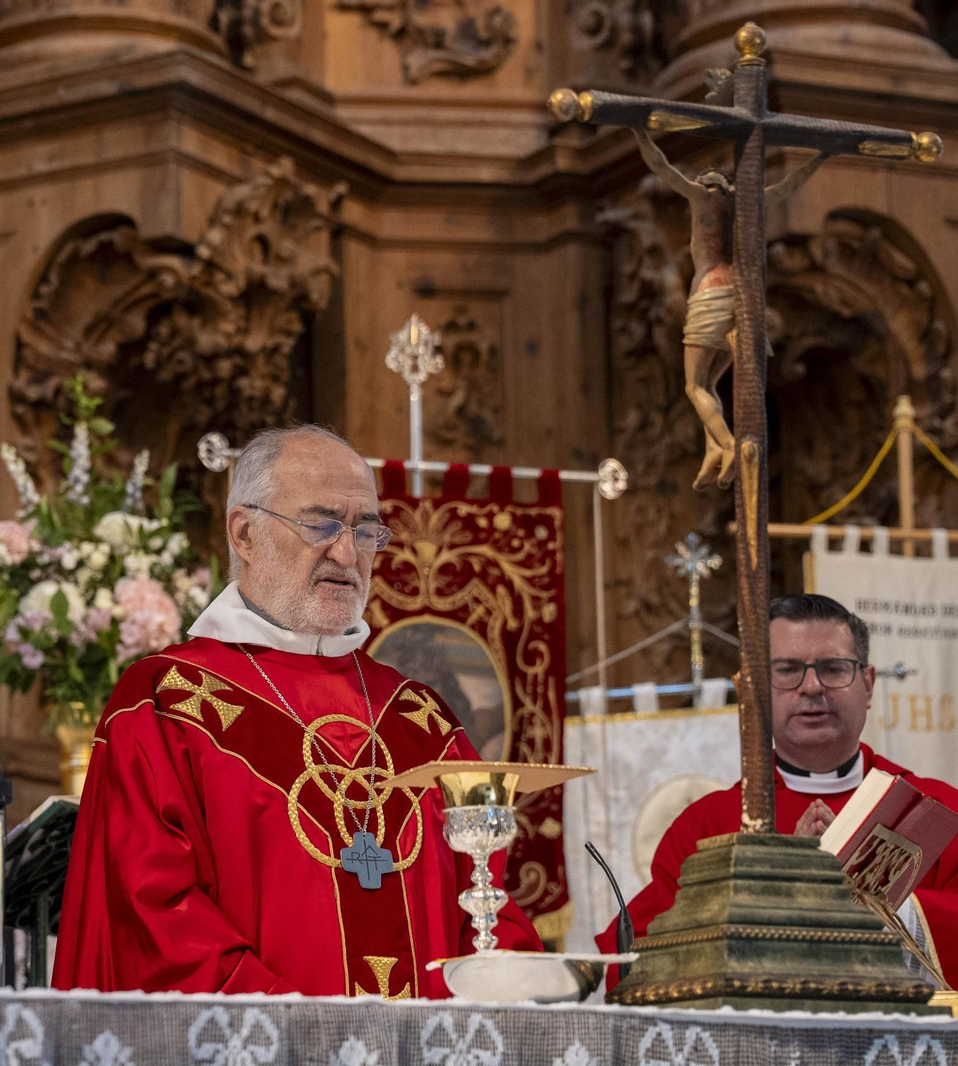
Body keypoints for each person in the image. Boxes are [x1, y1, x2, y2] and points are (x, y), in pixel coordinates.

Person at [53, 425, 541, 997]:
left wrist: (527, 991)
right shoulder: (166, 703)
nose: (345, 552)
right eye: (320, 524)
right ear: (244, 533)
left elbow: (485, 907)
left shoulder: (420, 718)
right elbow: (154, 919)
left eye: (365, 530)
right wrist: (306, 1039)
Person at [599, 593, 958, 981]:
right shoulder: (705, 826)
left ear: (867, 685)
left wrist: (864, 903)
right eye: (787, 670)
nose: (812, 687)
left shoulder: (935, 810)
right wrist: (779, 893)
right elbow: (633, 960)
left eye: (833, 668)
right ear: (756, 689)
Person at [629, 128, 831, 490]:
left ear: (708, 183)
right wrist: (821, 156)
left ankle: (728, 445)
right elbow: (787, 185)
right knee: (710, 382)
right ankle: (713, 452)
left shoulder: (700, 198)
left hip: (710, 291)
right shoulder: (743, 201)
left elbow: (660, 166)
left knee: (694, 386)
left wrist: (638, 131)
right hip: (739, 291)